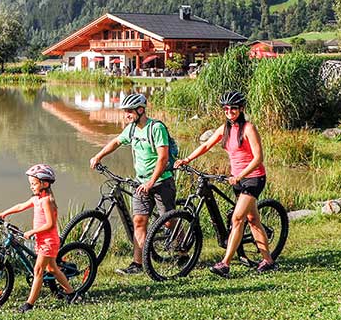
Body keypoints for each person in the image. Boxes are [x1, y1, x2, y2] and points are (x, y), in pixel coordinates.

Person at [175, 89, 275, 276]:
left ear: (242, 108)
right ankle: (268, 260)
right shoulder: (225, 129)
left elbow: (258, 158)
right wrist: (187, 159)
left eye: (234, 108)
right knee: (253, 220)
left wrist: (241, 175)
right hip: (237, 179)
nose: (230, 112)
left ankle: (225, 264)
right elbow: (206, 145)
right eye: (226, 109)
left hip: (253, 178)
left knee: (238, 218)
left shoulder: (249, 128)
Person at [88, 92, 175, 275]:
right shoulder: (132, 129)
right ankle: (137, 263)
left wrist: (152, 182)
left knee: (168, 222)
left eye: (129, 111)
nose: (126, 115)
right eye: (125, 111)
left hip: (161, 181)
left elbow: (163, 158)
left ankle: (182, 250)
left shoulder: (156, 128)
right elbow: (116, 142)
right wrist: (98, 156)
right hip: (140, 182)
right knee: (139, 221)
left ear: (141, 110)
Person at [0, 164, 73, 312]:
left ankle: (29, 305)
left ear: (45, 183)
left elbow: (50, 224)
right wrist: (3, 213)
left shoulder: (47, 201)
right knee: (53, 269)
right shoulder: (36, 199)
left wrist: (32, 231)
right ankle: (71, 293)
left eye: (34, 184)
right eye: (30, 184)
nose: (31, 187)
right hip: (41, 240)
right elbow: (20, 206)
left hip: (49, 241)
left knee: (38, 271)